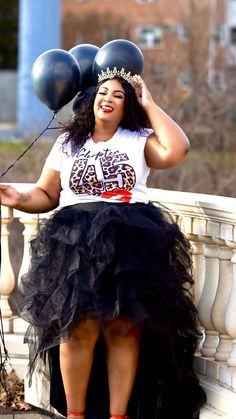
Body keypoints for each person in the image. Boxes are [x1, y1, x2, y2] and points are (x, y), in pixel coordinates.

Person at [0, 73, 206, 419]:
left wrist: (150, 104)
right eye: (103, 92)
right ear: (93, 99)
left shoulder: (139, 139)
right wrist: (17, 197)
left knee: (122, 327)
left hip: (129, 241)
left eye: (119, 95)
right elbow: (47, 194)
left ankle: (118, 415)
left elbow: (177, 149)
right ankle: (76, 414)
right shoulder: (69, 143)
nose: (108, 97)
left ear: (128, 106)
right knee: (76, 329)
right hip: (75, 243)